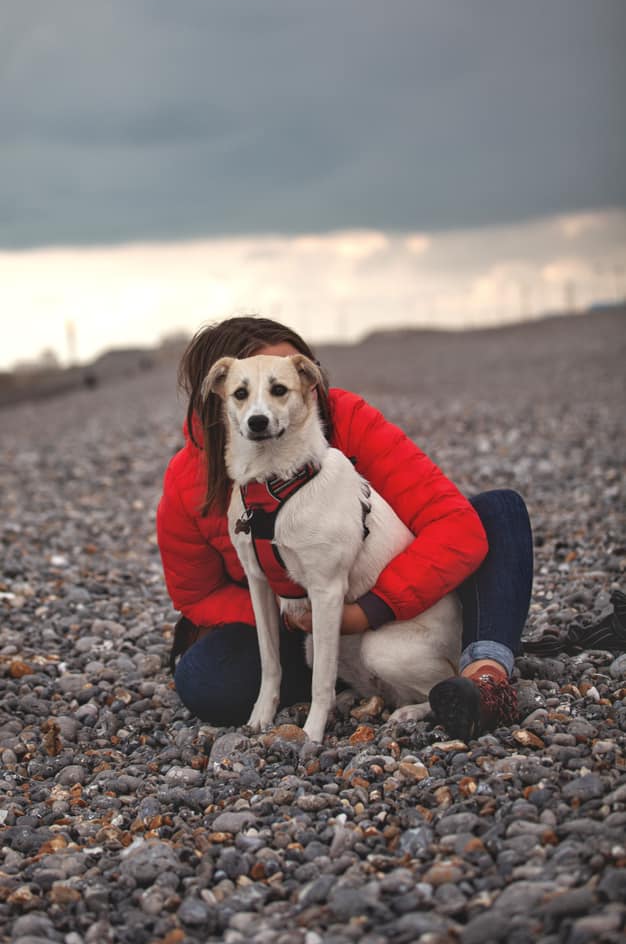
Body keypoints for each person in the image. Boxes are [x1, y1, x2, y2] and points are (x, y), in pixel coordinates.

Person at [157, 316, 533, 741]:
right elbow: (196, 594)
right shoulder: (188, 477)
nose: (289, 393)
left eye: (293, 378)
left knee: (498, 510)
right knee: (202, 680)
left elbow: (455, 526)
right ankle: (358, 677)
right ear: (221, 393)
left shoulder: (347, 416)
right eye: (251, 387)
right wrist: (296, 617)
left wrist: (368, 611)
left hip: (390, 606)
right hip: (297, 629)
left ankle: (484, 674)